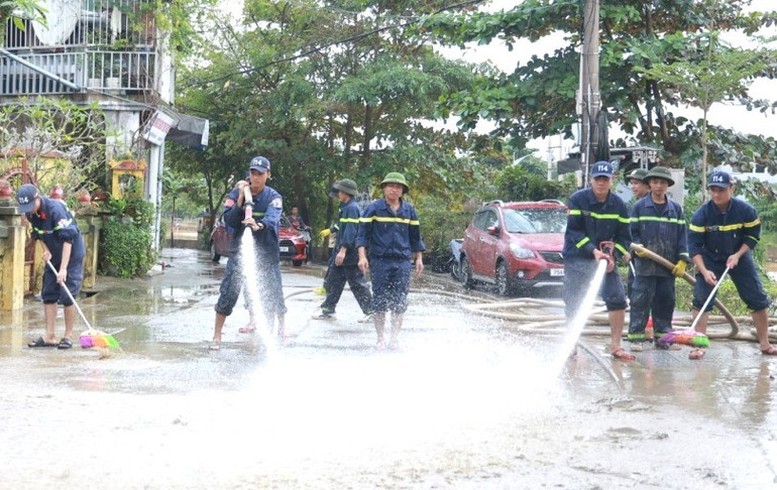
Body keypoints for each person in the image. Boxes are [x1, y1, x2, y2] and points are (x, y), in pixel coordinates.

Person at [687, 170, 776, 360]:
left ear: (731, 188)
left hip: (739, 257)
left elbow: (752, 237)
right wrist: (704, 271)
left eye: (721, 190)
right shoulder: (701, 215)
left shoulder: (745, 211)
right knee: (702, 299)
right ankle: (697, 346)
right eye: (713, 190)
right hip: (710, 258)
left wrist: (738, 255)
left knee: (757, 298)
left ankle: (765, 343)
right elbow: (694, 246)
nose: (716, 195)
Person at [210, 156, 287, 350]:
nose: (256, 177)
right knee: (229, 292)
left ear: (268, 174)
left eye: (260, 173)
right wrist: (240, 200)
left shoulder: (273, 197)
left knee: (271, 294)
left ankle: (267, 338)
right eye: (253, 173)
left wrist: (258, 224)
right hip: (240, 251)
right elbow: (229, 220)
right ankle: (217, 336)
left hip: (266, 252)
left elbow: (273, 218)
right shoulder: (236, 193)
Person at [562, 161, 634, 361]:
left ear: (613, 180)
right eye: (597, 179)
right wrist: (593, 250)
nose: (601, 183)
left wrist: (613, 255)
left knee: (618, 298)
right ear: (590, 179)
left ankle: (616, 346)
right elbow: (574, 231)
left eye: (605, 179)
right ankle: (572, 344)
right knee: (574, 301)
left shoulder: (619, 205)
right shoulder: (578, 200)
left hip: (604, 260)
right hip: (578, 257)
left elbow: (624, 238)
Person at [357, 172, 425, 349]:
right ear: (384, 188)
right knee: (379, 299)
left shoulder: (409, 211)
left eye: (398, 186)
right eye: (390, 186)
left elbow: (415, 237)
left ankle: (394, 338)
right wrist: (362, 257)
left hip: (402, 261)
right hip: (380, 261)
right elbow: (362, 234)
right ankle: (380, 338)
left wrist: (419, 258)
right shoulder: (374, 208)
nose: (394, 189)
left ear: (402, 190)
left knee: (400, 299)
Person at [628, 166, 689, 351]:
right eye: (655, 182)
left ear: (668, 185)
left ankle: (663, 338)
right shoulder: (639, 207)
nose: (659, 185)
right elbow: (632, 233)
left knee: (665, 301)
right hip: (645, 265)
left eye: (663, 182)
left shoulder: (675, 210)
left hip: (667, 266)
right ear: (650, 184)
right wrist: (637, 247)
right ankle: (636, 338)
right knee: (640, 300)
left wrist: (683, 260)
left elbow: (682, 236)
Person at [18, 183, 85, 350]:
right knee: (48, 293)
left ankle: (68, 336)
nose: (28, 210)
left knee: (67, 294)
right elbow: (37, 234)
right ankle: (50, 336)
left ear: (38, 198)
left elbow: (68, 240)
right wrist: (46, 250)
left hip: (71, 254)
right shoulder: (31, 214)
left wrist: (63, 269)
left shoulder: (56, 210)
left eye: (30, 205)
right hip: (54, 254)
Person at [312, 179, 373, 322]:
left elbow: (351, 231)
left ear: (346, 192)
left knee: (357, 283)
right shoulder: (345, 207)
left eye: (339, 191)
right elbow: (342, 225)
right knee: (334, 281)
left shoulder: (352, 208)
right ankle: (328, 310)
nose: (338, 194)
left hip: (350, 253)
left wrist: (343, 250)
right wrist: (331, 230)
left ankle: (371, 311)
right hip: (342, 251)